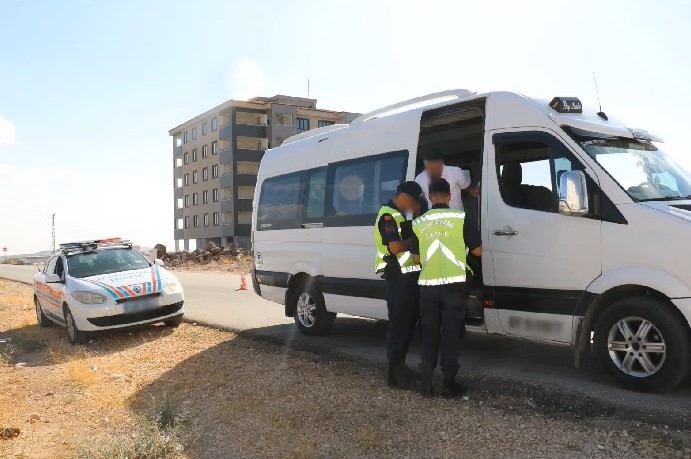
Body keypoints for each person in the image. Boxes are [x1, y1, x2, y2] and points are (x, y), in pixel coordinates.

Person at [411, 177, 482, 397]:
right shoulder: (461, 218)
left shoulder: (419, 222)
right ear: (450, 196)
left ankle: (426, 384)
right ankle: (449, 385)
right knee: (451, 335)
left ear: (430, 197)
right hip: (454, 287)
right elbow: (478, 251)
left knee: (429, 333)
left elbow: (415, 259)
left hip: (428, 289)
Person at [374, 181, 424, 389]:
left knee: (408, 322)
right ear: (403, 196)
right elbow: (395, 247)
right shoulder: (388, 215)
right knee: (399, 323)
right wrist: (415, 240)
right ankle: (394, 373)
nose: (413, 206)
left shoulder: (402, 215)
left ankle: (400, 367)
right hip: (397, 278)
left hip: (408, 277)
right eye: (412, 201)